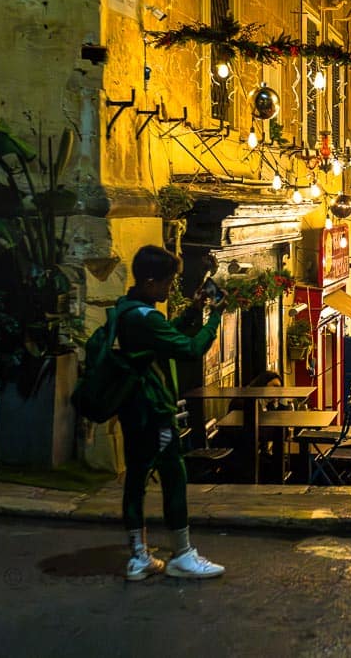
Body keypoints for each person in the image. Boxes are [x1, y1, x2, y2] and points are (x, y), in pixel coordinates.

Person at [115, 245, 225, 581]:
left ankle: (139, 556)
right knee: (174, 476)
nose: (168, 289)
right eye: (166, 282)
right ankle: (182, 554)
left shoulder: (128, 309)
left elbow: (166, 336)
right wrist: (215, 316)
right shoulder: (147, 316)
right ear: (150, 281)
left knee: (136, 479)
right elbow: (189, 348)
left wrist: (193, 312)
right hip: (155, 409)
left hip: (132, 408)